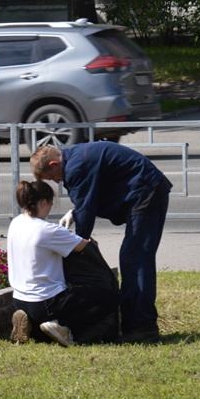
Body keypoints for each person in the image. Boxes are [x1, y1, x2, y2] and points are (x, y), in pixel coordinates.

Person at [30, 141, 172, 344]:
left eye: (53, 177)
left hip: (145, 192)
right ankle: (136, 323)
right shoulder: (75, 157)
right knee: (135, 257)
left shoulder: (76, 167)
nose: (57, 181)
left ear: (54, 163)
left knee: (135, 259)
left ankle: (143, 327)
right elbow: (90, 196)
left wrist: (79, 244)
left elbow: (86, 206)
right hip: (148, 188)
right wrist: (76, 215)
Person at [8, 180, 120, 346]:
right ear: (43, 203)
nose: (49, 210)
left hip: (19, 300)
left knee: (44, 322)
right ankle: (65, 327)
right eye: (50, 205)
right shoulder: (47, 230)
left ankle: (31, 325)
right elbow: (84, 246)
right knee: (107, 296)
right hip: (46, 302)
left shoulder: (16, 223)